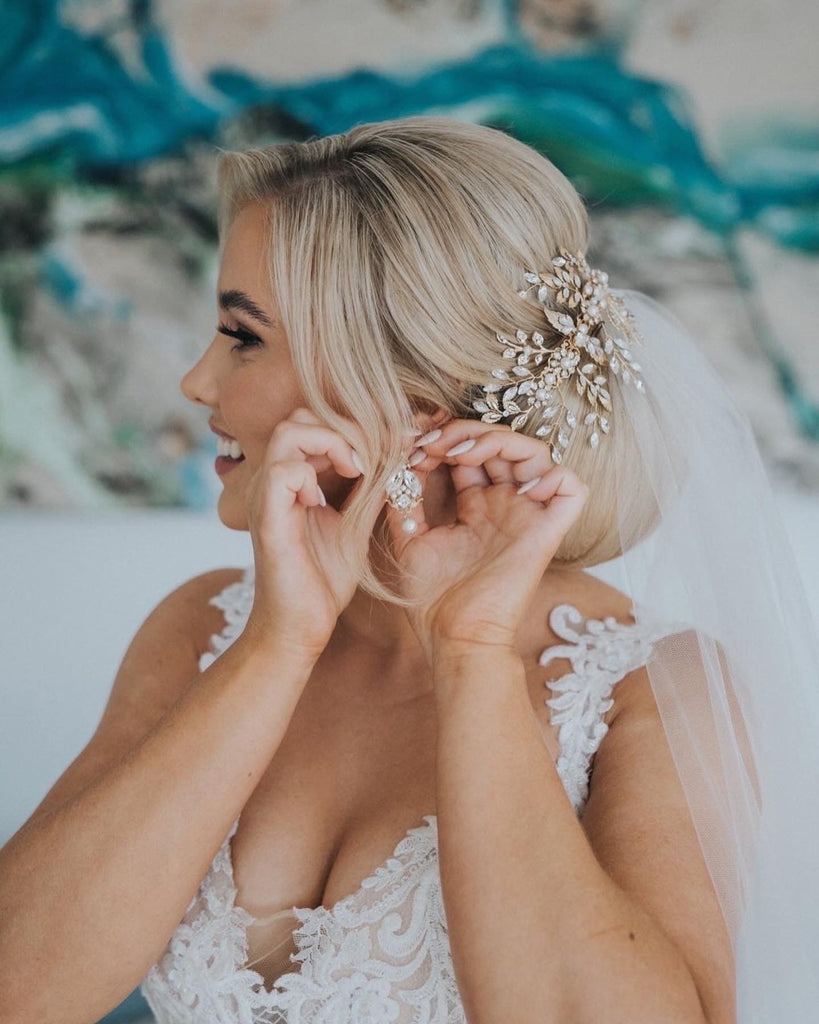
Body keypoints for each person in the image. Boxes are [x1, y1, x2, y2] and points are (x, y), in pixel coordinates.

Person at [2, 116, 818, 1024]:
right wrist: (279, 643)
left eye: (242, 336)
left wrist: (469, 649)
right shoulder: (202, 627)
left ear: (406, 392)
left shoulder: (646, 691)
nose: (198, 382)